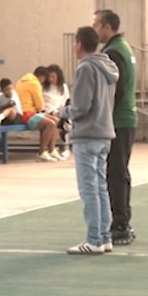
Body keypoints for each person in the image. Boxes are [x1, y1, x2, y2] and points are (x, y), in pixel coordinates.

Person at [61, 26, 119, 255]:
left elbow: (81, 106)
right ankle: (104, 237)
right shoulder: (108, 67)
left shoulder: (86, 68)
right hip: (104, 132)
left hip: (87, 134)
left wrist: (64, 112)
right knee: (100, 187)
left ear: (79, 43)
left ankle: (94, 239)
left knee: (88, 189)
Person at [93, 9, 138, 245]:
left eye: (96, 25)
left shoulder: (113, 52)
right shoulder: (123, 47)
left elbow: (114, 90)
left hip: (118, 121)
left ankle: (120, 224)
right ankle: (122, 220)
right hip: (125, 120)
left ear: (107, 27)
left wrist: (99, 115)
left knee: (115, 174)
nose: (94, 30)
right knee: (119, 172)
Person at [15, 66, 61, 161]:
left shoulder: (21, 80)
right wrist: (42, 112)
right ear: (42, 77)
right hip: (27, 114)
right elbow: (39, 104)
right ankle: (42, 152)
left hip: (24, 112)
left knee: (55, 120)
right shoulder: (35, 83)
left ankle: (52, 150)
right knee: (50, 123)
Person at [42, 64, 71, 159]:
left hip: (58, 110)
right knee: (53, 120)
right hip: (46, 111)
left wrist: (59, 111)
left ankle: (65, 147)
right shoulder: (44, 87)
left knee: (67, 121)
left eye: (53, 76)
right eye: (49, 77)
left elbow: (65, 102)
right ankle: (50, 149)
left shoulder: (63, 87)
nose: (51, 79)